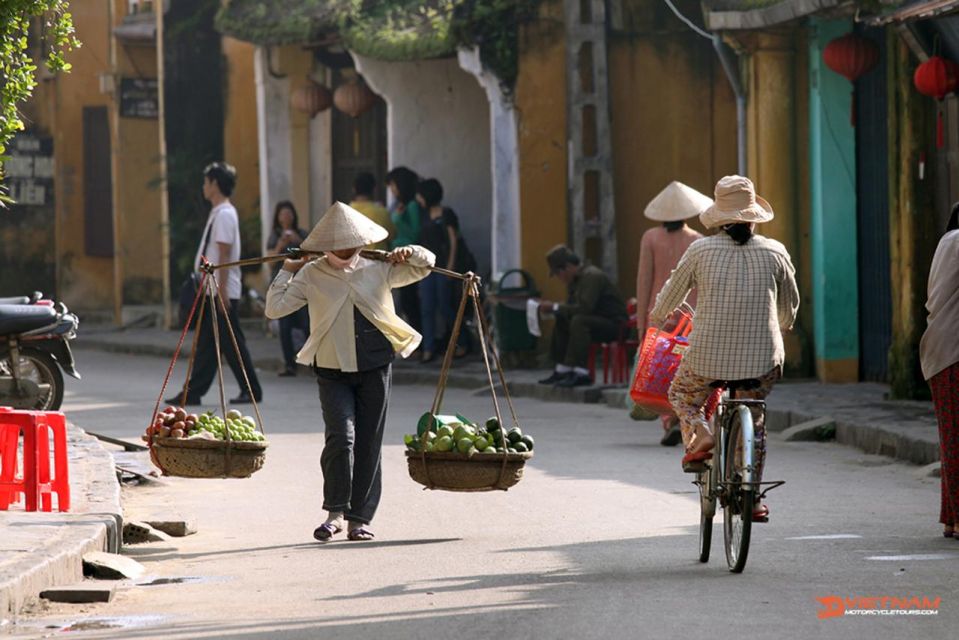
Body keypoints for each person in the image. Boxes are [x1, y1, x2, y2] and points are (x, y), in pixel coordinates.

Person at [265, 202, 435, 543]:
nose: (348, 247)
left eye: (354, 241)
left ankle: (360, 519)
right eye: (340, 242)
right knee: (341, 438)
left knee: (370, 442)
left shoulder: (380, 267)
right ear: (327, 244)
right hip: (331, 368)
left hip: (375, 364)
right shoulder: (312, 273)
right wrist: (287, 268)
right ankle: (335, 513)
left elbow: (426, 265)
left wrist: (408, 251)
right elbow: (274, 307)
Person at [649, 175, 799, 522]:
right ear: (752, 217)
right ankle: (754, 496)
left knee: (682, 395)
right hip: (763, 360)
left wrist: (657, 319)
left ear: (719, 216)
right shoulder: (775, 251)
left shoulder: (700, 250)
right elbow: (789, 307)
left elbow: (671, 294)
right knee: (755, 417)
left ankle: (701, 432)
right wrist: (782, 326)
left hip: (707, 358)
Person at [166, 162, 263, 406]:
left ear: (215, 184)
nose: (204, 187)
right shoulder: (219, 212)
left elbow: (223, 254)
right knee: (208, 346)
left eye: (207, 182)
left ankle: (251, 390)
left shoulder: (225, 214)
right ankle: (193, 392)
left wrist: (221, 292)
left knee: (232, 343)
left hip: (220, 289)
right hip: (212, 289)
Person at [634, 182, 709, 446]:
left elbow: (644, 280)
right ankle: (677, 420)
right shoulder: (698, 240)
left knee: (660, 371)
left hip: (660, 313)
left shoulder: (650, 238)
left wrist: (642, 320)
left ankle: (668, 421)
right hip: (692, 313)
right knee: (683, 369)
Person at [920, 203, 959, 540]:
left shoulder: (948, 241)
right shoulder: (958, 241)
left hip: (940, 351)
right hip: (953, 351)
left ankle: (951, 518)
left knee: (952, 437)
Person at [538, 245, 629, 387]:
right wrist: (556, 309)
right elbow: (571, 308)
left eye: (557, 273)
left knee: (579, 321)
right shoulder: (575, 281)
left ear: (567, 267)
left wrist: (555, 306)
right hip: (596, 323)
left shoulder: (592, 276)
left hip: (615, 326)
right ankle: (563, 369)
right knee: (563, 318)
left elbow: (585, 308)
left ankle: (581, 372)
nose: (558, 278)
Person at [416, 178, 469, 363]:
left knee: (446, 307)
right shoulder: (423, 214)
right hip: (427, 269)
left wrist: (450, 267)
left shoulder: (446, 214)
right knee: (427, 309)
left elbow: (453, 241)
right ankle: (428, 349)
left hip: (443, 267)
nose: (418, 198)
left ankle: (462, 342)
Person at [266, 200, 310, 376]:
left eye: (289, 213)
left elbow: (311, 254)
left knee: (307, 323)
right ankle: (289, 364)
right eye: (282, 214)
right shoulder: (275, 236)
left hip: (302, 285)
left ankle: (314, 361)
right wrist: (280, 244)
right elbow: (270, 261)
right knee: (285, 327)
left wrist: (298, 241)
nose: (286, 217)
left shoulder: (301, 233)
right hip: (283, 285)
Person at [386, 166, 424, 333]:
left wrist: (400, 220)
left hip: (408, 258)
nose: (392, 189)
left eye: (393, 185)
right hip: (396, 258)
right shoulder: (398, 205)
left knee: (410, 302)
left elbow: (415, 233)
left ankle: (419, 345)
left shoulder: (412, 206)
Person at [349, 172, 393, 250]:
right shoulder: (381, 212)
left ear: (353, 189)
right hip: (378, 259)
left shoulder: (345, 212)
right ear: (374, 189)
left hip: (353, 260)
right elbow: (392, 235)